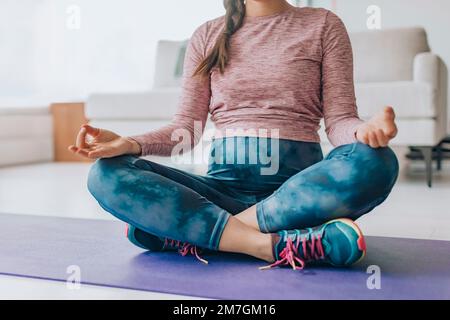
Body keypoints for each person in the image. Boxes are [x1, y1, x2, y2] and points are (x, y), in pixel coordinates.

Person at [69, 0, 399, 270]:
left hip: (296, 195)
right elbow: (186, 128)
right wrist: (131, 143)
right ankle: (270, 244)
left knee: (377, 161)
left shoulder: (324, 25)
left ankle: (197, 233)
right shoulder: (207, 35)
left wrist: (362, 132)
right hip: (221, 191)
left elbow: (340, 120)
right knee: (105, 174)